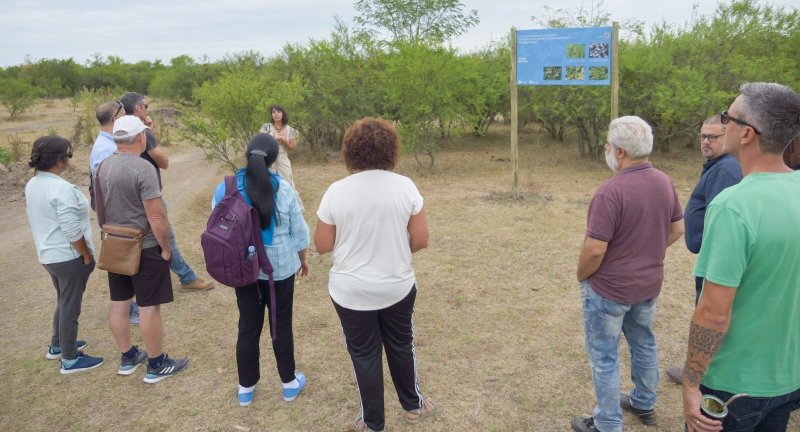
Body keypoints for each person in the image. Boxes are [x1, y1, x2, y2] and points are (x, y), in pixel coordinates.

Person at [681, 82, 800, 432]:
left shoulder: (733, 206)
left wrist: (690, 383)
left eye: (726, 117)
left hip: (732, 388)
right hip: (788, 377)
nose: (722, 124)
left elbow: (714, 313)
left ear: (746, 133)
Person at [314, 118, 435, 432]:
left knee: (364, 355)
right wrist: (390, 247)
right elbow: (420, 240)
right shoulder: (405, 186)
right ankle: (413, 406)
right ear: (392, 150)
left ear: (350, 152)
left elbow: (323, 245)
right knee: (400, 344)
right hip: (397, 285)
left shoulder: (336, 191)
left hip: (350, 291)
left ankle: (372, 423)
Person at [571, 116, 684, 432]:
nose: (606, 149)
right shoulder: (664, 181)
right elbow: (678, 228)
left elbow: (594, 250)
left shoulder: (610, 191)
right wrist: (647, 252)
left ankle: (607, 423)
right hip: (647, 285)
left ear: (620, 152)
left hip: (610, 289)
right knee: (644, 343)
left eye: (608, 144)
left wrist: (583, 276)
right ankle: (644, 402)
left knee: (604, 357)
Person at [211, 134, 310, 407]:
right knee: (281, 325)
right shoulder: (284, 189)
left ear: (247, 155)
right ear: (274, 158)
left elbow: (218, 227)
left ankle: (245, 389)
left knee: (248, 326)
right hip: (280, 268)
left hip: (243, 270)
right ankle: (289, 383)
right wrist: (303, 259)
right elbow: (299, 234)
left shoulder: (227, 187)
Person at [97, 115, 188, 383]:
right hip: (145, 245)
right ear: (141, 138)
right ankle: (157, 364)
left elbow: (100, 209)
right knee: (149, 307)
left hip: (115, 243)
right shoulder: (144, 168)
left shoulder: (103, 166)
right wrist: (166, 249)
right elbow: (156, 217)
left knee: (119, 303)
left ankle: (128, 357)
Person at [664, 115, 742, 385]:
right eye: (703, 136)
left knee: (710, 318)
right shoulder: (716, 165)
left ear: (728, 137)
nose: (706, 142)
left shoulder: (728, 169)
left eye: (713, 137)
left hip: (717, 261)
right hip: (709, 256)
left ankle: (703, 376)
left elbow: (724, 222)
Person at [118, 92, 213, 292]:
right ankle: (187, 278)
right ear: (137, 109)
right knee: (164, 236)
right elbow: (164, 161)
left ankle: (143, 280)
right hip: (148, 193)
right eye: (145, 105)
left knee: (135, 237)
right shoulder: (142, 133)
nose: (147, 109)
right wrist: (149, 135)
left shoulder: (120, 130)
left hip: (127, 193)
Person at [25, 136, 104, 374]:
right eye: (68, 156)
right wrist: (86, 254)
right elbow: (71, 230)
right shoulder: (61, 188)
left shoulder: (33, 184)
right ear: (59, 161)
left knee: (63, 300)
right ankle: (70, 359)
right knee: (71, 306)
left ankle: (58, 345)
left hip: (49, 255)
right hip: (68, 257)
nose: (69, 160)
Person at [258, 105, 303, 208]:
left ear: (283, 114)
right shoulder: (266, 127)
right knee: (269, 182)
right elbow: (260, 142)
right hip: (269, 159)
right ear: (271, 115)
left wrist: (284, 142)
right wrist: (272, 141)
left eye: (278, 111)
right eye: (273, 112)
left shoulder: (290, 129)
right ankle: (270, 207)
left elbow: (292, 148)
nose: (276, 114)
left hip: (283, 158)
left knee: (288, 181)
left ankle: (292, 207)